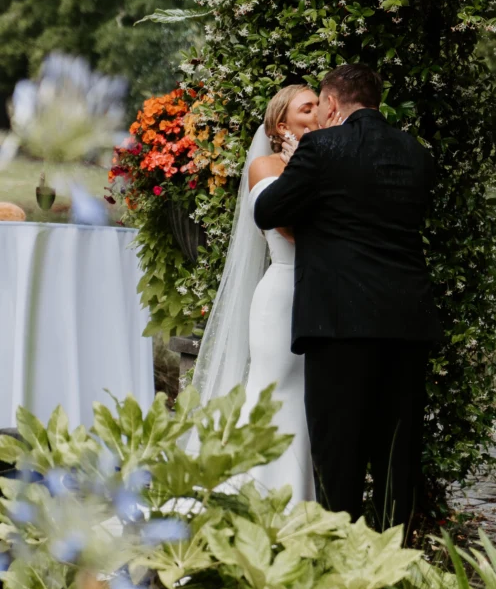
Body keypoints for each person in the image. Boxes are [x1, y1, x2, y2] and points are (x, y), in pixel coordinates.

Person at [253, 63, 443, 529]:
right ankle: (394, 561)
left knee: (339, 458)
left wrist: (307, 179)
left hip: (339, 325)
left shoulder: (322, 147)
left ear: (332, 105)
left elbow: (268, 210)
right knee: (397, 455)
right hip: (406, 324)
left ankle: (344, 568)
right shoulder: (415, 153)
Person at [190, 83, 331, 503]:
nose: (319, 113)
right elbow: (286, 227)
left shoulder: (328, 163)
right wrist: (302, 170)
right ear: (280, 125)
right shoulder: (266, 167)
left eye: (319, 107)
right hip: (282, 295)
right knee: (272, 394)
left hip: (320, 297)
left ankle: (295, 506)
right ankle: (245, 499)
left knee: (305, 404)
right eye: (308, 108)